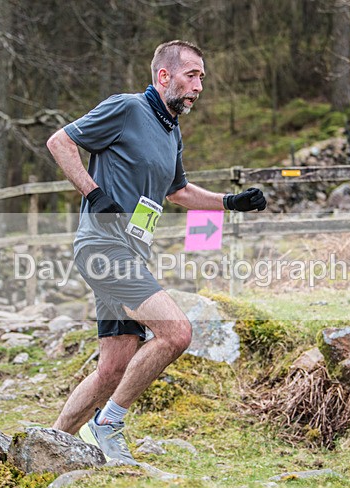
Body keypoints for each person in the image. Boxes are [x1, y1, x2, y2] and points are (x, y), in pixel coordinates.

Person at [46, 40, 266, 464]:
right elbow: (60, 142)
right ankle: (108, 423)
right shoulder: (126, 108)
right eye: (192, 75)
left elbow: (178, 191)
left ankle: (50, 443)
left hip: (129, 252)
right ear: (163, 76)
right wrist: (94, 193)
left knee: (112, 368)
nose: (199, 86)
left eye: (202, 77)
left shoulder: (171, 130)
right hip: (103, 247)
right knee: (177, 332)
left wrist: (230, 202)